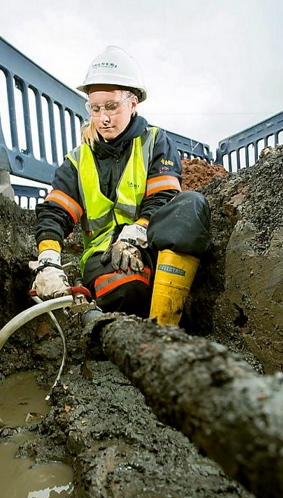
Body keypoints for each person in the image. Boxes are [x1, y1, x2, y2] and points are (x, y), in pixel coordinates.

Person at [30, 46, 212, 326]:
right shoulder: (78, 161)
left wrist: (134, 234)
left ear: (133, 103)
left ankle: (165, 325)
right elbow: (55, 212)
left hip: (153, 248)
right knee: (129, 288)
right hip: (104, 258)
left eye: (112, 107)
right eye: (95, 108)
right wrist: (48, 259)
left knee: (192, 204)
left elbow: (163, 196)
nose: (103, 118)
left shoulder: (155, 142)